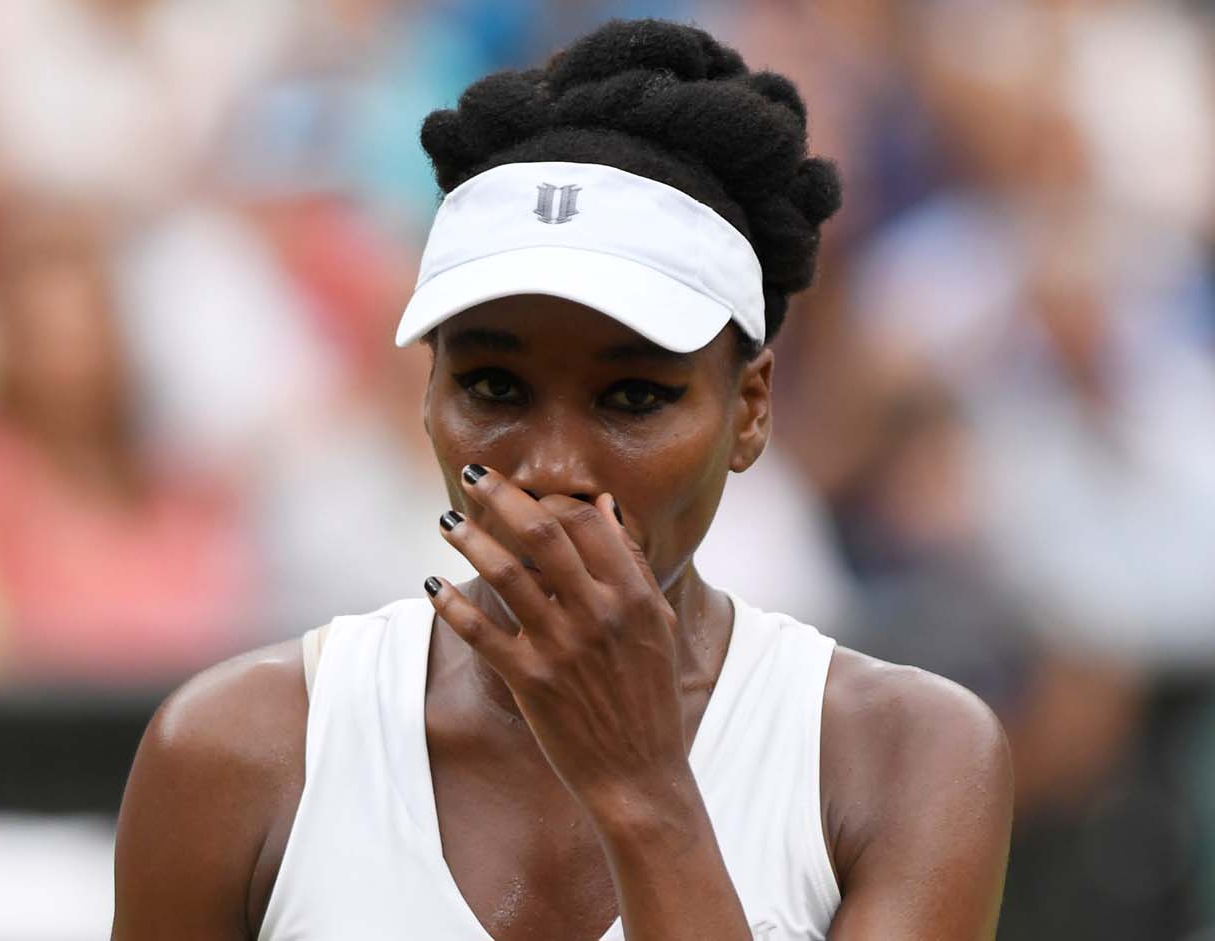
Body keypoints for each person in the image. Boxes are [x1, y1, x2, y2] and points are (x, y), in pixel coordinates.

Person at [112, 19, 1013, 940]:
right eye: (493, 386)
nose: (550, 468)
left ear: (749, 409)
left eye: (632, 395)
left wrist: (643, 792)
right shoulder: (231, 751)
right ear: (427, 396)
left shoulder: (908, 756)